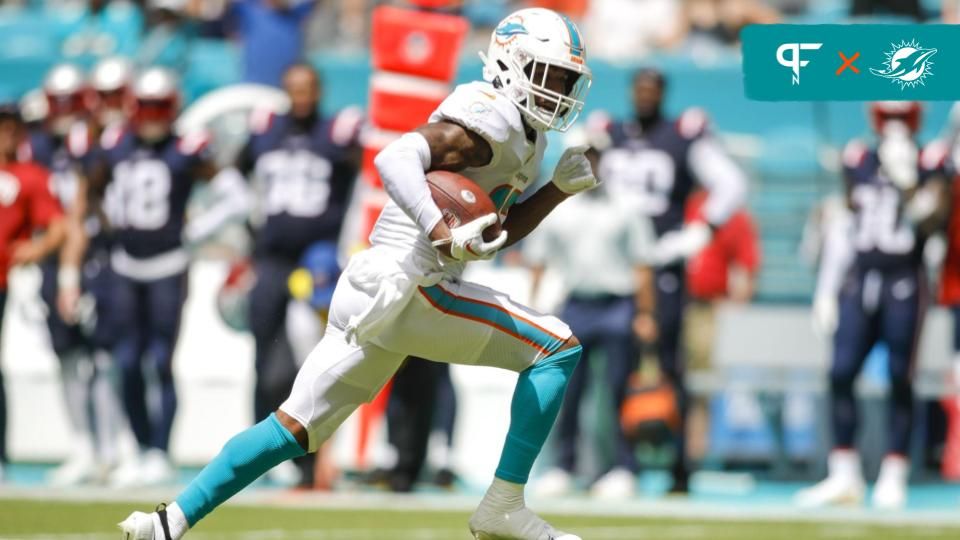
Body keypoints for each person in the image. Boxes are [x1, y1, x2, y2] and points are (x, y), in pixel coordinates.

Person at [120, 7, 594, 540]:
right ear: (511, 64)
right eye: (548, 73)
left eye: (565, 79)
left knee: (294, 429)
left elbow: (493, 233)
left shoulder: (526, 137)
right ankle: (502, 506)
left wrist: (556, 191)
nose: (557, 89)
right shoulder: (490, 116)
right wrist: (440, 229)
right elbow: (395, 158)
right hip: (411, 280)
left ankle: (167, 521)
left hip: (379, 286)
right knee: (557, 348)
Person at [594, 68, 747, 493]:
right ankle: (618, 464)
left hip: (661, 267)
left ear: (662, 92)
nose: (644, 95)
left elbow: (731, 183)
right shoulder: (610, 133)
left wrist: (702, 230)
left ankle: (679, 466)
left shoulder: (681, 134)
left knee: (671, 369)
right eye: (639, 88)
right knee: (615, 369)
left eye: (652, 88)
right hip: (613, 267)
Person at [797, 101, 949, 509]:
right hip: (860, 278)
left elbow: (936, 222)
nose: (895, 126)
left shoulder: (931, 160)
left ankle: (894, 471)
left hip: (904, 279)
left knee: (900, 376)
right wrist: (827, 288)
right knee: (840, 372)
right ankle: (843, 473)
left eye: (901, 118)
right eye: (889, 118)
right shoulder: (858, 157)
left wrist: (908, 184)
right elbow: (847, 223)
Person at [88, 67, 228, 487]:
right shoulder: (116, 144)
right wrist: (106, 221)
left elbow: (234, 193)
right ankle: (140, 446)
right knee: (127, 361)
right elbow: (92, 190)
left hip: (168, 265)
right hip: (126, 266)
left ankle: (160, 451)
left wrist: (195, 231)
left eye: (158, 107)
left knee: (161, 361)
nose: (150, 116)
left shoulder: (187, 148)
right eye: (144, 106)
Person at [235, 62, 360, 487]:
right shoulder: (266, 132)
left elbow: (366, 176)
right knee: (262, 359)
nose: (301, 97)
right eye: (294, 89)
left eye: (307, 89)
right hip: (272, 258)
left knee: (313, 363)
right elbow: (234, 177)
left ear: (319, 90)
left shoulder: (337, 134)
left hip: (317, 262)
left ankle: (311, 461)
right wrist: (244, 235)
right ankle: (257, 457)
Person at [525, 138, 656, 500]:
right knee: (569, 391)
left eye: (594, 156)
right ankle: (563, 466)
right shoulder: (559, 208)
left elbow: (642, 264)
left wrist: (645, 313)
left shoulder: (626, 206)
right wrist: (534, 308)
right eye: (583, 156)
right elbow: (538, 259)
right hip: (576, 306)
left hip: (618, 305)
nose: (589, 162)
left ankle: (622, 468)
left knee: (618, 391)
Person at [0, 100, 67, 482]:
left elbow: (57, 226)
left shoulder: (31, 175)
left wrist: (35, 249)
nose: (6, 133)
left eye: (12, 126)